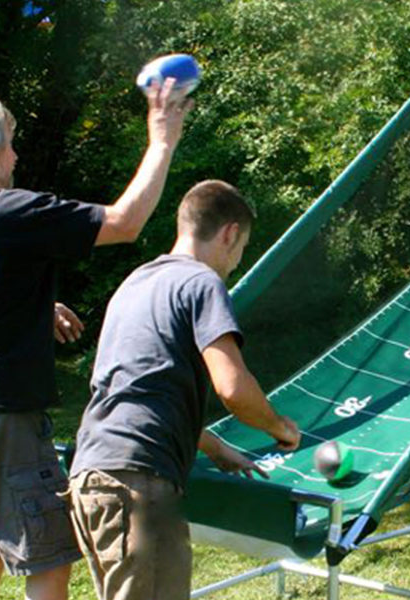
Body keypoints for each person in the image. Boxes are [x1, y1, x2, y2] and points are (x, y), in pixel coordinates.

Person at [0, 78, 192, 600]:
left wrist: (34, 308)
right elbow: (124, 223)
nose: (15, 157)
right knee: (48, 564)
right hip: (0, 418)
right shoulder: (7, 212)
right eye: (10, 143)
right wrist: (162, 140)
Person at [68, 179, 301, 600]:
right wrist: (279, 427)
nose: (236, 262)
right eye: (242, 246)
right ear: (230, 233)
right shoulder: (202, 283)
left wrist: (214, 448)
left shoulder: (136, 283)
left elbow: (137, 391)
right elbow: (232, 386)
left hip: (93, 474)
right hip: (139, 485)